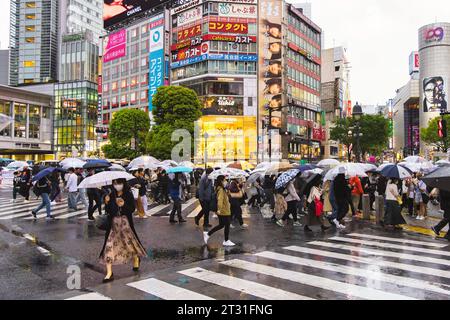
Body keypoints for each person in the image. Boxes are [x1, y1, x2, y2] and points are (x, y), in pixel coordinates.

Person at [100, 179, 147, 283]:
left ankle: (136, 258)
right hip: (113, 226)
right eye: (115, 183)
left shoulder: (128, 194)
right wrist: (107, 202)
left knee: (130, 244)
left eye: (119, 183)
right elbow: (108, 211)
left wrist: (123, 205)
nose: (117, 185)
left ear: (123, 184)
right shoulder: (111, 194)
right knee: (109, 247)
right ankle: (109, 273)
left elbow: (131, 209)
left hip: (126, 225)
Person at [203, 175, 235, 247]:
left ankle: (208, 234)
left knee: (221, 225)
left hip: (224, 210)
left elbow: (226, 198)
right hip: (224, 210)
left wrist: (227, 191)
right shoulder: (220, 189)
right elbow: (220, 200)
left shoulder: (223, 189)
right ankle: (226, 240)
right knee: (227, 225)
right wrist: (219, 209)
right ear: (221, 181)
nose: (226, 181)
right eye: (224, 180)